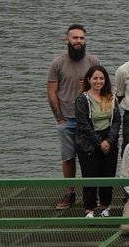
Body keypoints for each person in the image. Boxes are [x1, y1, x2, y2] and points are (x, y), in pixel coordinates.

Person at [47, 23, 101, 209]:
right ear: (67, 39)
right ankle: (69, 193)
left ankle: (92, 195)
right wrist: (59, 118)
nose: (78, 41)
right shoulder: (57, 63)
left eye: (82, 38)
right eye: (75, 38)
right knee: (68, 157)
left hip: (88, 120)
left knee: (91, 157)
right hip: (67, 119)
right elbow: (52, 91)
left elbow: (100, 88)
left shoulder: (93, 61)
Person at [74, 64, 120, 217]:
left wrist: (109, 141)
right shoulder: (82, 100)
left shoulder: (111, 97)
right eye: (95, 78)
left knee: (108, 174)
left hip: (109, 140)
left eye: (101, 78)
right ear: (89, 79)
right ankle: (89, 208)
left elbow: (116, 121)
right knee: (90, 174)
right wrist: (99, 142)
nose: (98, 81)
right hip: (89, 142)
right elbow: (83, 125)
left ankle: (106, 206)